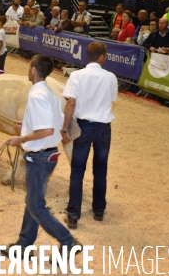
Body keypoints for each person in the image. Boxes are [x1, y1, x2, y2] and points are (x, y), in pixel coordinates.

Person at [3, 54, 80, 256]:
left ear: (33, 70)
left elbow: (45, 130)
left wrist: (20, 139)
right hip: (49, 154)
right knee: (33, 201)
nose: (28, 70)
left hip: (39, 157)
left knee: (36, 206)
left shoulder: (36, 95)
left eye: (29, 67)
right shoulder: (49, 92)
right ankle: (23, 245)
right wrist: (27, 124)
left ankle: (68, 241)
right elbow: (55, 123)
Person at [62, 41, 118, 228]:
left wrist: (65, 127)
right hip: (103, 128)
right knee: (100, 170)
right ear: (102, 56)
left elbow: (71, 103)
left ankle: (73, 215)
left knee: (77, 171)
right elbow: (110, 100)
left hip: (83, 127)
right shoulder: (111, 77)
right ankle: (99, 211)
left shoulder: (76, 75)